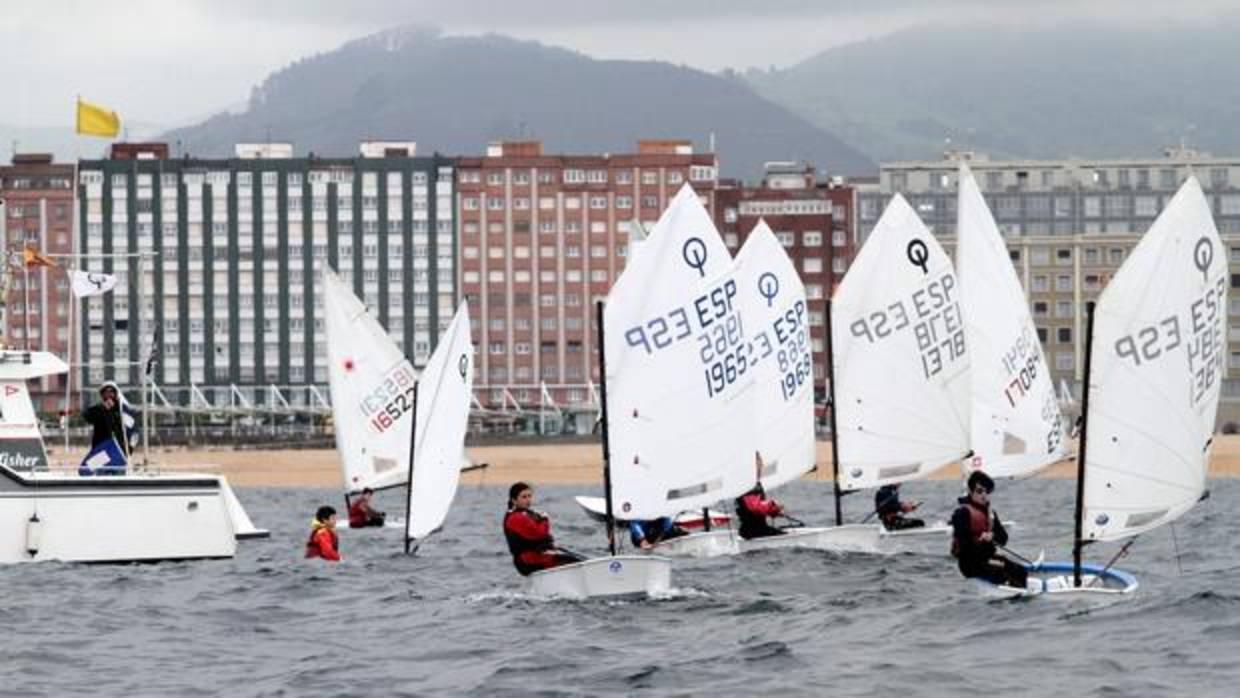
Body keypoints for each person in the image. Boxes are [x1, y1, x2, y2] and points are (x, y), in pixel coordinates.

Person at [951, 471, 1027, 588]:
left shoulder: (991, 514)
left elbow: (1003, 538)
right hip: (970, 564)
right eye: (980, 491)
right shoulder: (962, 513)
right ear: (971, 492)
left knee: (1021, 571)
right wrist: (980, 540)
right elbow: (963, 544)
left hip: (989, 559)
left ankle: (1021, 597)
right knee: (1002, 574)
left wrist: (993, 536)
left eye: (987, 491)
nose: (984, 495)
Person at [502, 482, 584, 575]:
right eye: (524, 497)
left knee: (575, 558)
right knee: (573, 562)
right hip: (528, 560)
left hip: (538, 556)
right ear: (514, 500)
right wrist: (545, 519)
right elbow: (540, 533)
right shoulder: (515, 518)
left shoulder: (527, 514)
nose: (528, 500)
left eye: (529, 496)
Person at [735, 452, 787, 540]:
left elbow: (759, 506)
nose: (762, 464)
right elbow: (755, 508)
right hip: (752, 532)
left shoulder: (754, 484)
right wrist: (773, 505)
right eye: (759, 462)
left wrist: (774, 511)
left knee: (782, 533)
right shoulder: (748, 485)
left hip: (756, 530)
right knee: (784, 536)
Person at [81, 382, 129, 455]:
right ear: (102, 395)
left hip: (118, 448)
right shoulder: (97, 409)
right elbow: (87, 416)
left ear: (115, 393)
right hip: (100, 446)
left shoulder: (121, 409)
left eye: (111, 391)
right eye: (106, 392)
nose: (109, 394)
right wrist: (102, 408)